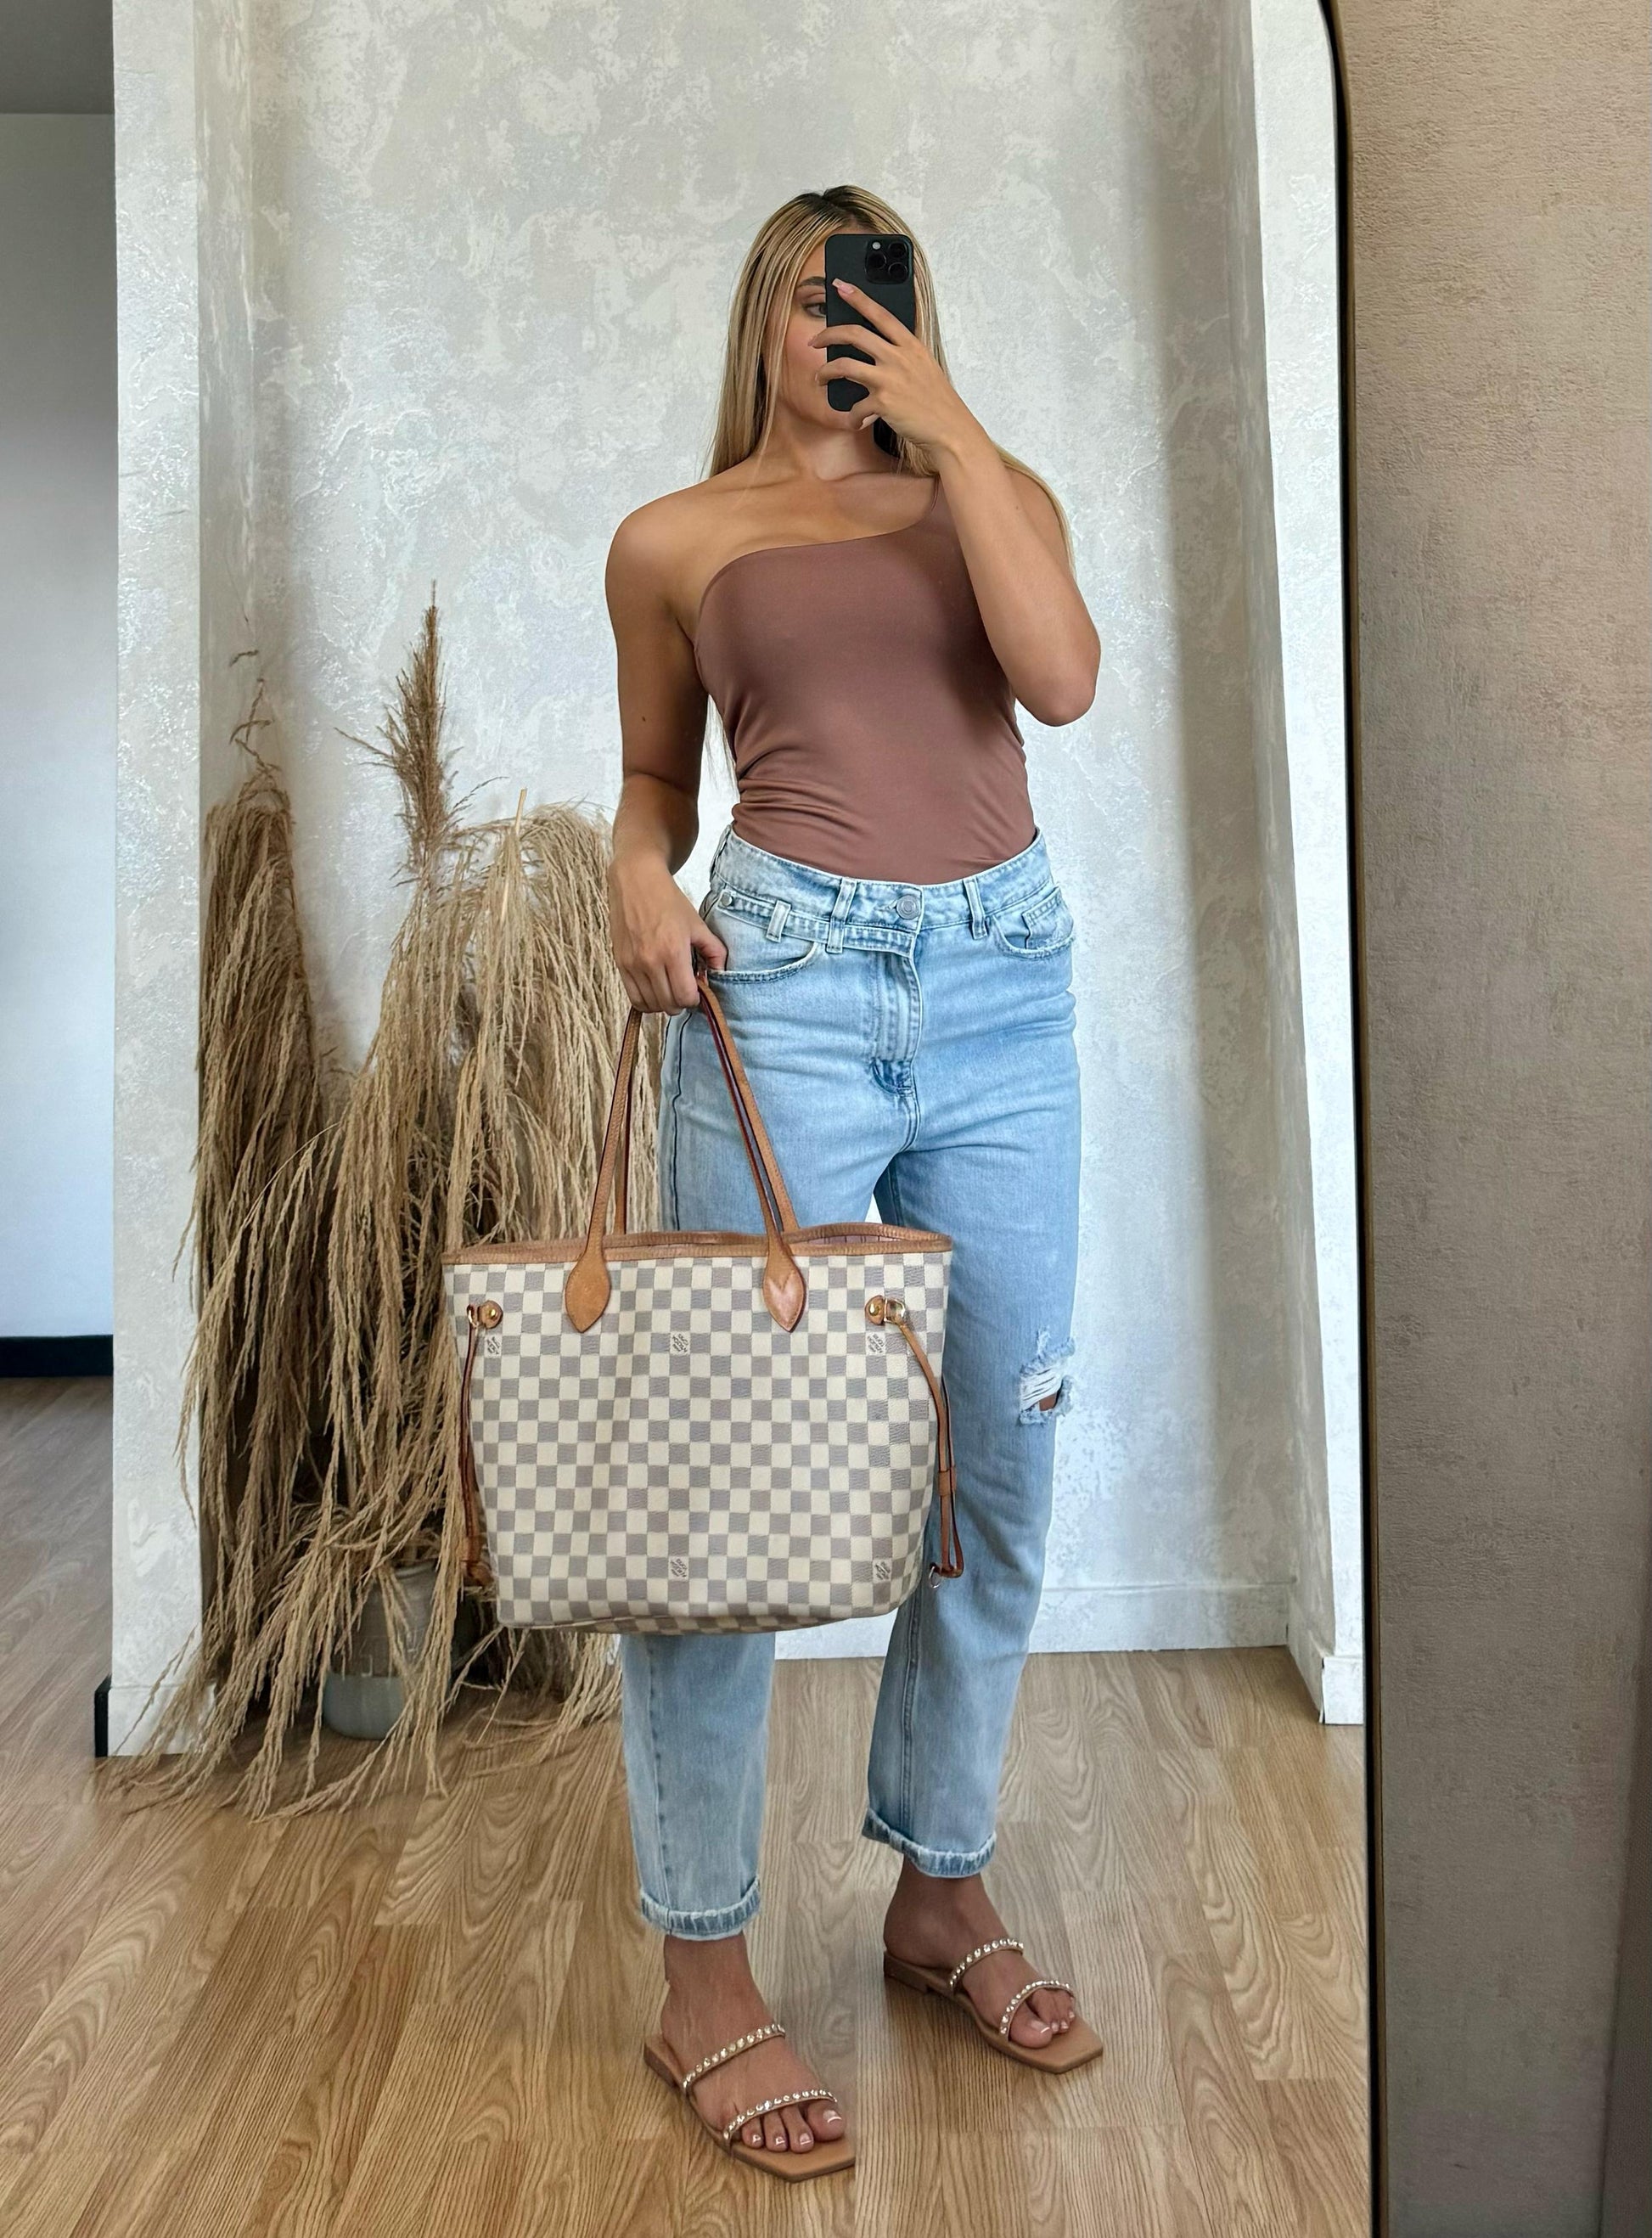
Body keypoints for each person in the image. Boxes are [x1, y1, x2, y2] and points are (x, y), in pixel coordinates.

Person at [602, 184, 1103, 2179]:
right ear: (761, 313)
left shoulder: (990, 487)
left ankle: (938, 1885)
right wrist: (633, 872)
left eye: (871, 292)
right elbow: (654, 781)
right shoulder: (673, 539)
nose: (840, 325)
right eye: (811, 295)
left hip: (1003, 984)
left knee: (999, 1456)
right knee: (716, 1484)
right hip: (780, 988)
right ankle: (702, 1969)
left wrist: (950, 425)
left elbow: (1060, 681)